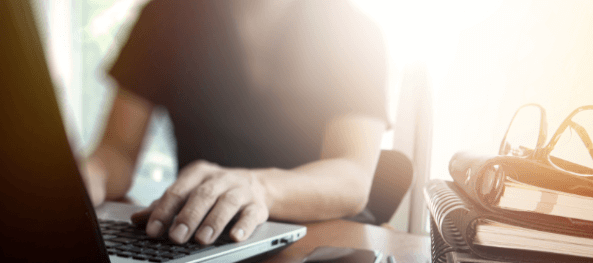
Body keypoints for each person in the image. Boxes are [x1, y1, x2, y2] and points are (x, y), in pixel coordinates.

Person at [80, 0, 389, 246]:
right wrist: (86, 177)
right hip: (199, 239)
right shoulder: (164, 15)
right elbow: (116, 150)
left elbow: (352, 176)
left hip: (316, 242)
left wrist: (259, 188)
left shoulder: (356, 32)